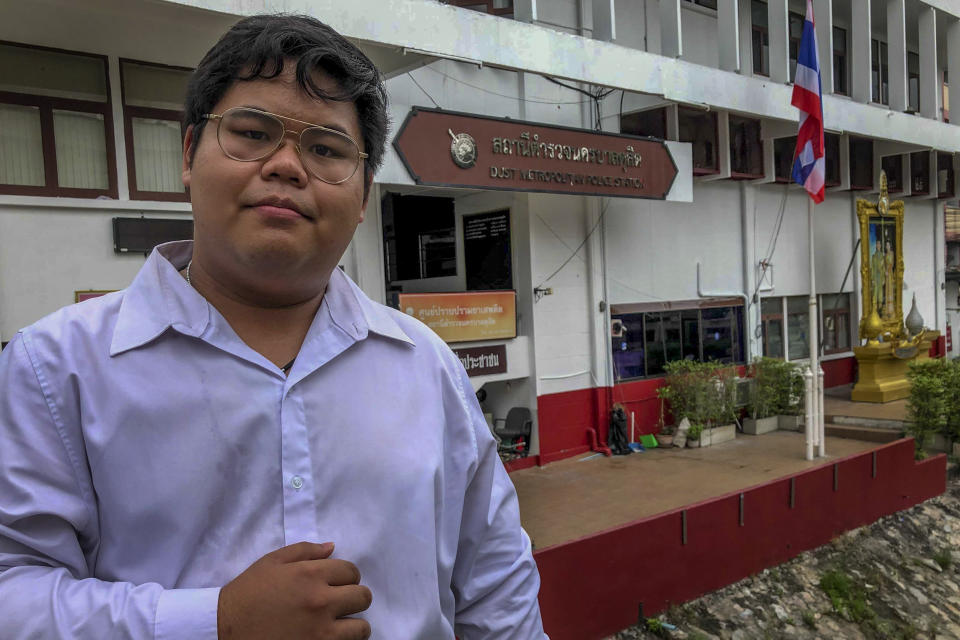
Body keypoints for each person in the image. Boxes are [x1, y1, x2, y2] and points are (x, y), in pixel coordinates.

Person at [0, 14, 546, 639]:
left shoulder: (425, 365)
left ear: (364, 195)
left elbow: (497, 587)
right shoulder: (54, 367)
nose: (286, 165)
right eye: (253, 133)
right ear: (188, 155)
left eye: (325, 149)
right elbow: (11, 589)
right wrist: (213, 623)